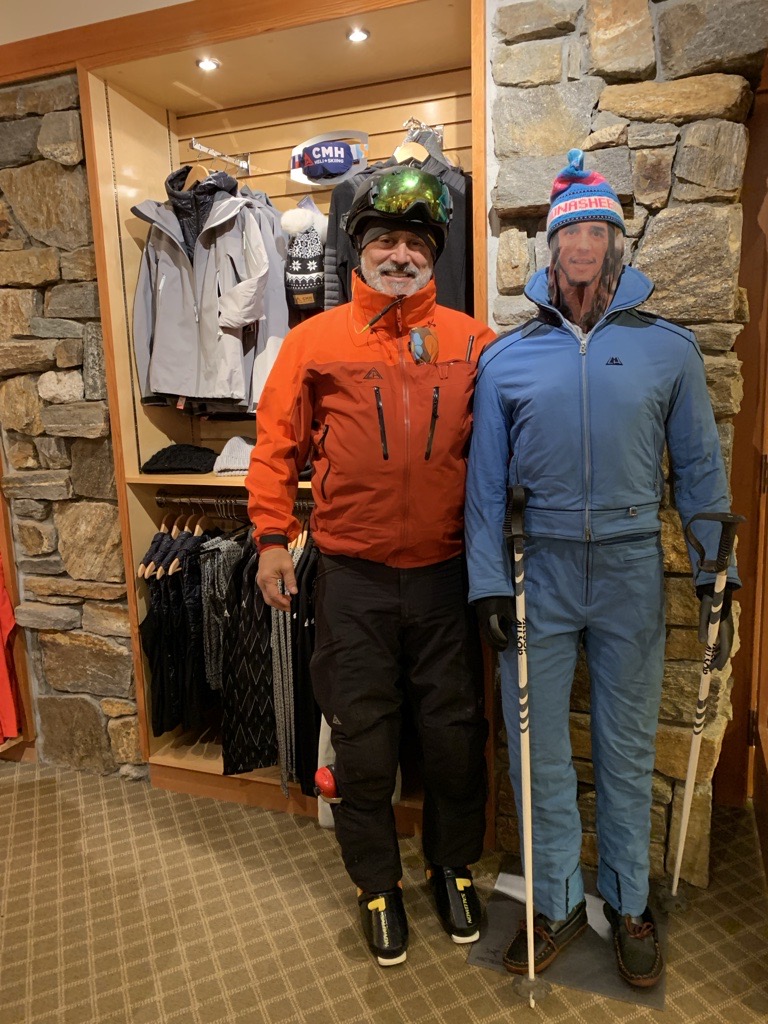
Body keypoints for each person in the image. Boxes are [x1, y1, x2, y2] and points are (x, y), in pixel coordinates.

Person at [465, 150, 740, 989]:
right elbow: (481, 486)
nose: (581, 245)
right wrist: (485, 585)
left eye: (595, 229)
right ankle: (553, 900)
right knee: (538, 751)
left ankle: (627, 900)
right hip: (536, 571)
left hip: (628, 571)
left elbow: (698, 469)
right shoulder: (506, 360)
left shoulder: (669, 351)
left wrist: (713, 571)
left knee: (623, 749)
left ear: (615, 243)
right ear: (550, 250)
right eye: (568, 232)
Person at [246, 166, 496, 967]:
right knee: (362, 739)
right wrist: (271, 539)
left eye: (414, 242)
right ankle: (377, 883)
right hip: (351, 579)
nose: (399, 255)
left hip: (445, 576)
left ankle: (451, 866)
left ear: (434, 255)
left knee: (455, 734)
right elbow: (276, 445)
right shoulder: (313, 341)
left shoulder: (472, 340)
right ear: (359, 250)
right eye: (384, 240)